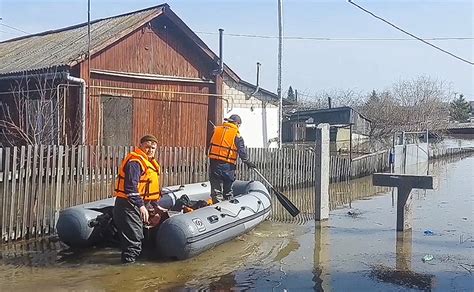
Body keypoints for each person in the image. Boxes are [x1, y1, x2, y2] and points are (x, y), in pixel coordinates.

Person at [113, 134, 178, 264]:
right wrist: (141, 206)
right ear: (140, 146)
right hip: (128, 206)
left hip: (139, 204)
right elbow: (131, 188)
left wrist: (155, 205)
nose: (150, 150)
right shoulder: (135, 163)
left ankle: (134, 265)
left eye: (153, 148)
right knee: (134, 240)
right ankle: (126, 272)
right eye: (147, 147)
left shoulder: (149, 162)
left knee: (140, 238)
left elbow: (147, 188)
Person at [208, 114, 256, 203]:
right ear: (237, 124)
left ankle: (216, 206)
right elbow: (242, 151)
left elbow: (209, 144)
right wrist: (247, 162)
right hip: (228, 166)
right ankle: (228, 207)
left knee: (216, 191)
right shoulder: (236, 135)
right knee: (228, 192)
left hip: (214, 164)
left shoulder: (216, 130)